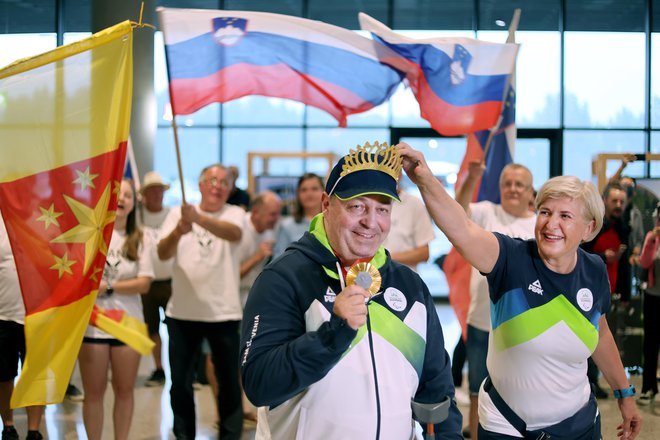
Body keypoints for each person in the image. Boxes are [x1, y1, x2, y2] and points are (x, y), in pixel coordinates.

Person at [398, 143, 641, 439]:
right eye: (545, 212)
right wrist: (424, 178)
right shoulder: (511, 258)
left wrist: (624, 393)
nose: (551, 224)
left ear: (588, 229)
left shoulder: (594, 270)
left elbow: (600, 333)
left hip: (579, 425)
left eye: (565, 216)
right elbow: (461, 228)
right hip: (507, 425)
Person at [240, 142, 463, 439]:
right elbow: (260, 384)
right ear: (326, 204)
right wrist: (334, 333)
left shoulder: (410, 287)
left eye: (382, 209)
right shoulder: (284, 278)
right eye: (356, 206)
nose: (371, 222)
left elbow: (436, 390)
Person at [158, 164, 246, 440]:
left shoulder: (235, 213)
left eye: (224, 182)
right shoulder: (177, 214)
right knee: (181, 384)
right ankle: (184, 435)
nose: (218, 185)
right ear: (200, 184)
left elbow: (234, 234)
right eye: (212, 180)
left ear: (229, 189)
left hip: (224, 314)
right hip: (182, 314)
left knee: (229, 382)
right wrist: (179, 231)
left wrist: (197, 219)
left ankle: (230, 435)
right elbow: (162, 253)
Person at [455, 160, 536, 440]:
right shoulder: (486, 211)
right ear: (500, 187)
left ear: (530, 191)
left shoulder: (540, 224)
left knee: (523, 393)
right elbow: (457, 211)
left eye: (519, 184)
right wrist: (471, 179)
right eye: (507, 184)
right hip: (481, 321)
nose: (513, 189)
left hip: (526, 327)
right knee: (478, 390)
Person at [78, 179, 153, 440]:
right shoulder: (89, 234)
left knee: (124, 390)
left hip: (127, 325)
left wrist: (108, 286)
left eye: (128, 195)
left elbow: (144, 284)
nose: (122, 199)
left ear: (134, 203)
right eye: (117, 194)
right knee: (94, 392)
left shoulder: (142, 238)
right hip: (93, 325)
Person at [581, 183, 630, 398]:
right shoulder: (592, 228)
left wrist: (625, 293)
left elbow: (625, 264)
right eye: (614, 201)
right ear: (605, 202)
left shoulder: (623, 229)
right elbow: (579, 255)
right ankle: (589, 382)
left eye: (621, 201)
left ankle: (596, 381)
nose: (618, 205)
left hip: (608, 292)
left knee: (603, 339)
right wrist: (604, 257)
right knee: (589, 338)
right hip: (585, 292)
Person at [0, 213, 45, 440]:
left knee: (35, 376)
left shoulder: (41, 219)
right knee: (3, 376)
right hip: (3, 315)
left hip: (37, 316)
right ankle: (8, 426)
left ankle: (34, 430)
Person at [138, 171, 173, 387]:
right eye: (152, 190)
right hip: (147, 282)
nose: (156, 194)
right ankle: (158, 367)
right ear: (144, 194)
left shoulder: (172, 215)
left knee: (175, 327)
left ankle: (179, 368)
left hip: (171, 280)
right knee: (151, 328)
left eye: (159, 190)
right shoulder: (138, 217)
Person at [382, 175, 435, 271]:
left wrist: (384, 259)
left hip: (402, 278)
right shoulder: (366, 203)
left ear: (400, 174)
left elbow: (424, 253)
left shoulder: (414, 204)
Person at [637, 202, 660, 404]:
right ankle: (648, 387)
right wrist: (652, 240)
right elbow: (644, 262)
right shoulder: (652, 237)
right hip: (653, 296)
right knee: (650, 343)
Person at [272, 173, 324, 257]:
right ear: (298, 194)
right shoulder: (287, 226)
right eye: (304, 190)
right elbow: (278, 261)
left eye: (314, 189)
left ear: (323, 192)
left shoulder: (333, 224)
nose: (309, 194)